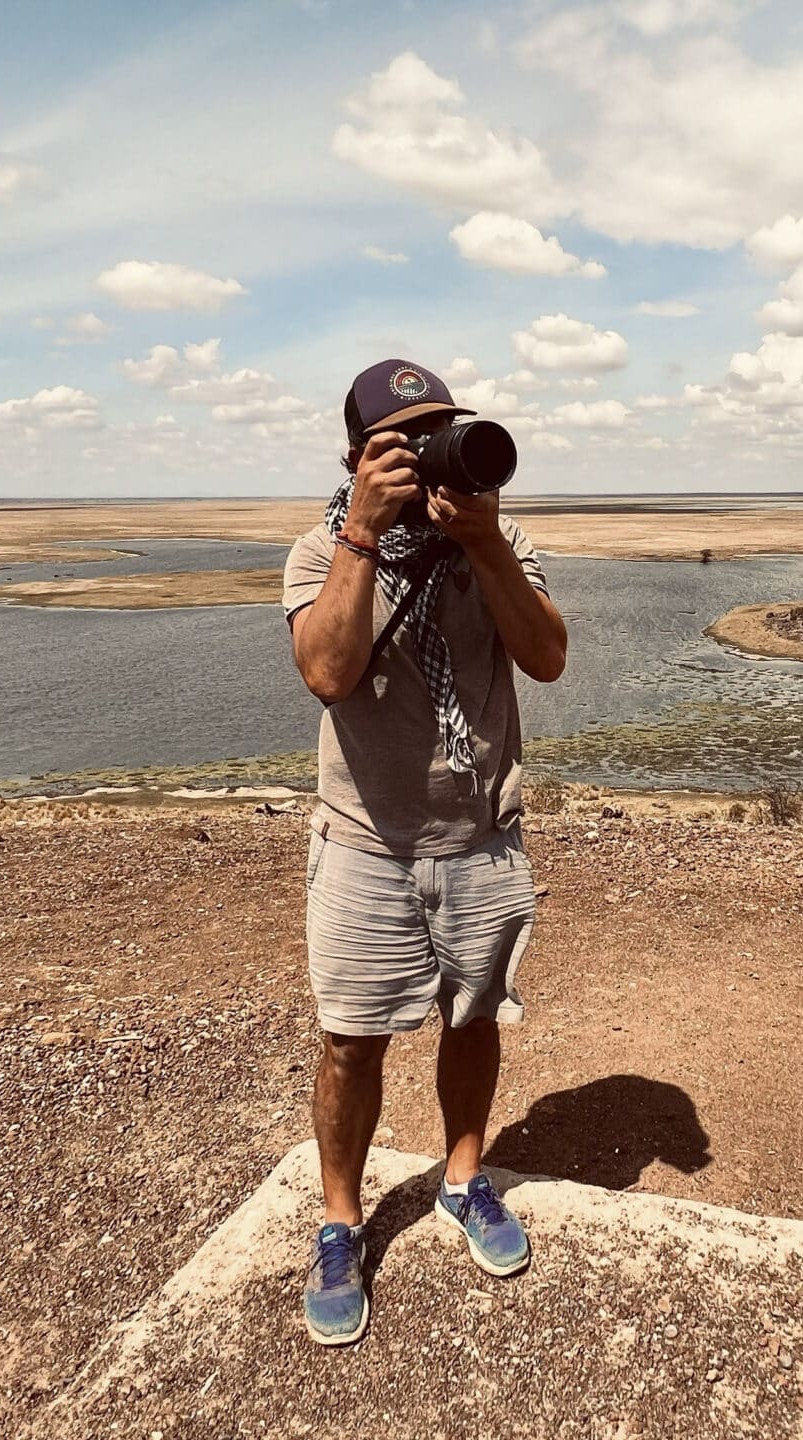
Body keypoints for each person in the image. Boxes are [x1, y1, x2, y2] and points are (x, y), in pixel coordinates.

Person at [280, 358, 569, 1346]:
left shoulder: (499, 539)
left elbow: (546, 656)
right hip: (365, 843)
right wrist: (364, 530)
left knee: (475, 1018)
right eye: (405, 441)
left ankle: (461, 1178)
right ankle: (338, 1221)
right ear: (360, 456)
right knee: (350, 1040)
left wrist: (483, 546)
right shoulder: (318, 550)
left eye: (443, 431)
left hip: (482, 840)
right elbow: (326, 669)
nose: (431, 454)